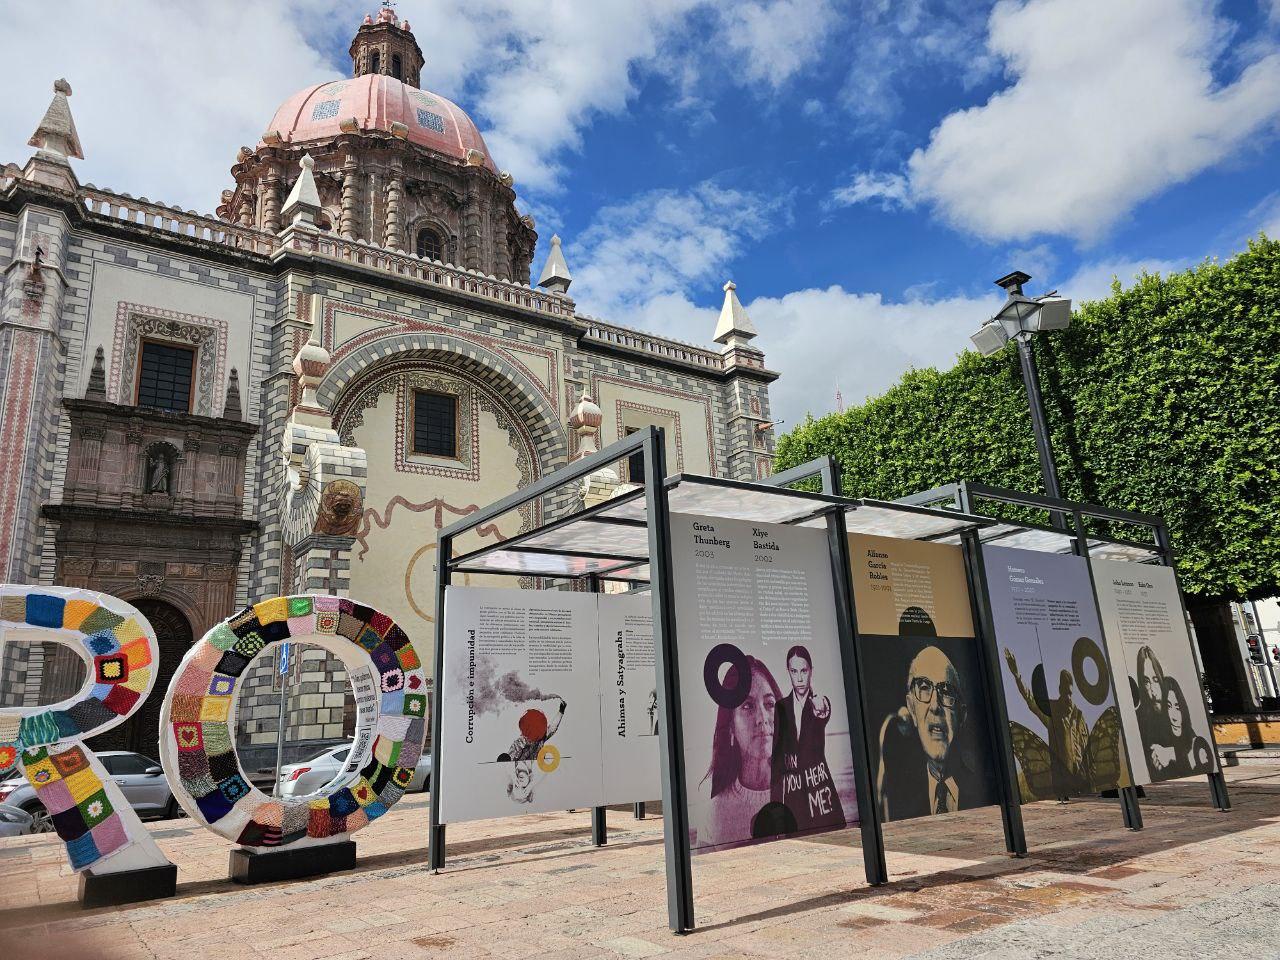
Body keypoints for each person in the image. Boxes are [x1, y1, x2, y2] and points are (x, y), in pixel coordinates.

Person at [877, 646, 981, 819]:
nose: (934, 706)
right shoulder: (899, 795)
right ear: (911, 708)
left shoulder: (983, 784)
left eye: (946, 691)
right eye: (924, 687)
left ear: (961, 715)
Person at [700, 656, 788, 846]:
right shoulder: (714, 816)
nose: (762, 718)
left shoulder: (801, 791)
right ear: (730, 726)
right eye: (748, 706)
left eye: (770, 704)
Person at [771, 645, 845, 832]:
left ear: (811, 670)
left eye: (804, 670)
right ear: (788, 672)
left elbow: (823, 713)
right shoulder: (781, 707)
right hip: (793, 791)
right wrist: (775, 804)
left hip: (819, 788)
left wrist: (820, 704)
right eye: (794, 671)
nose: (799, 677)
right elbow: (777, 755)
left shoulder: (818, 703)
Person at [1004, 649, 1091, 797]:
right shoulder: (1053, 714)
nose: (1068, 697)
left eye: (1070, 693)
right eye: (1065, 693)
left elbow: (1087, 750)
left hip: (1083, 782)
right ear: (1059, 691)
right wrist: (1017, 675)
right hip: (1062, 783)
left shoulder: (1080, 717)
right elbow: (1031, 700)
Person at [498, 697, 565, 804]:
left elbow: (506, 763)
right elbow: (552, 729)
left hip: (529, 726)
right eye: (524, 789)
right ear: (530, 783)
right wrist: (561, 711)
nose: (519, 783)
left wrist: (513, 777)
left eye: (516, 786)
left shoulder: (513, 761)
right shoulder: (537, 768)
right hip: (537, 730)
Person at [1133, 646, 1168, 779]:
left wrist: (1171, 753)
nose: (1153, 691)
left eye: (1155, 680)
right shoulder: (1140, 719)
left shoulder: (1175, 710)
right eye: (1146, 681)